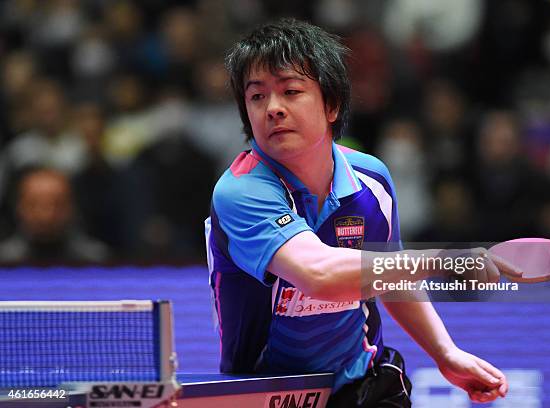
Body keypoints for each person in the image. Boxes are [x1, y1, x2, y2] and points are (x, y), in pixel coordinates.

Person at [205, 19, 521, 407]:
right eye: (256, 97)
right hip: (265, 394)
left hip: (362, 384)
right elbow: (319, 274)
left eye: (290, 91)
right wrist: (445, 260)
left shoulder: (371, 179)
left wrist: (445, 353)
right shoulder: (240, 192)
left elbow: (387, 273)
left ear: (332, 104)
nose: (273, 108)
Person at [0, 168, 110, 264]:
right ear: (19, 207)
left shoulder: (97, 262)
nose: (46, 215)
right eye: (34, 204)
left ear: (72, 207)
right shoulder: (4, 260)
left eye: (57, 204)